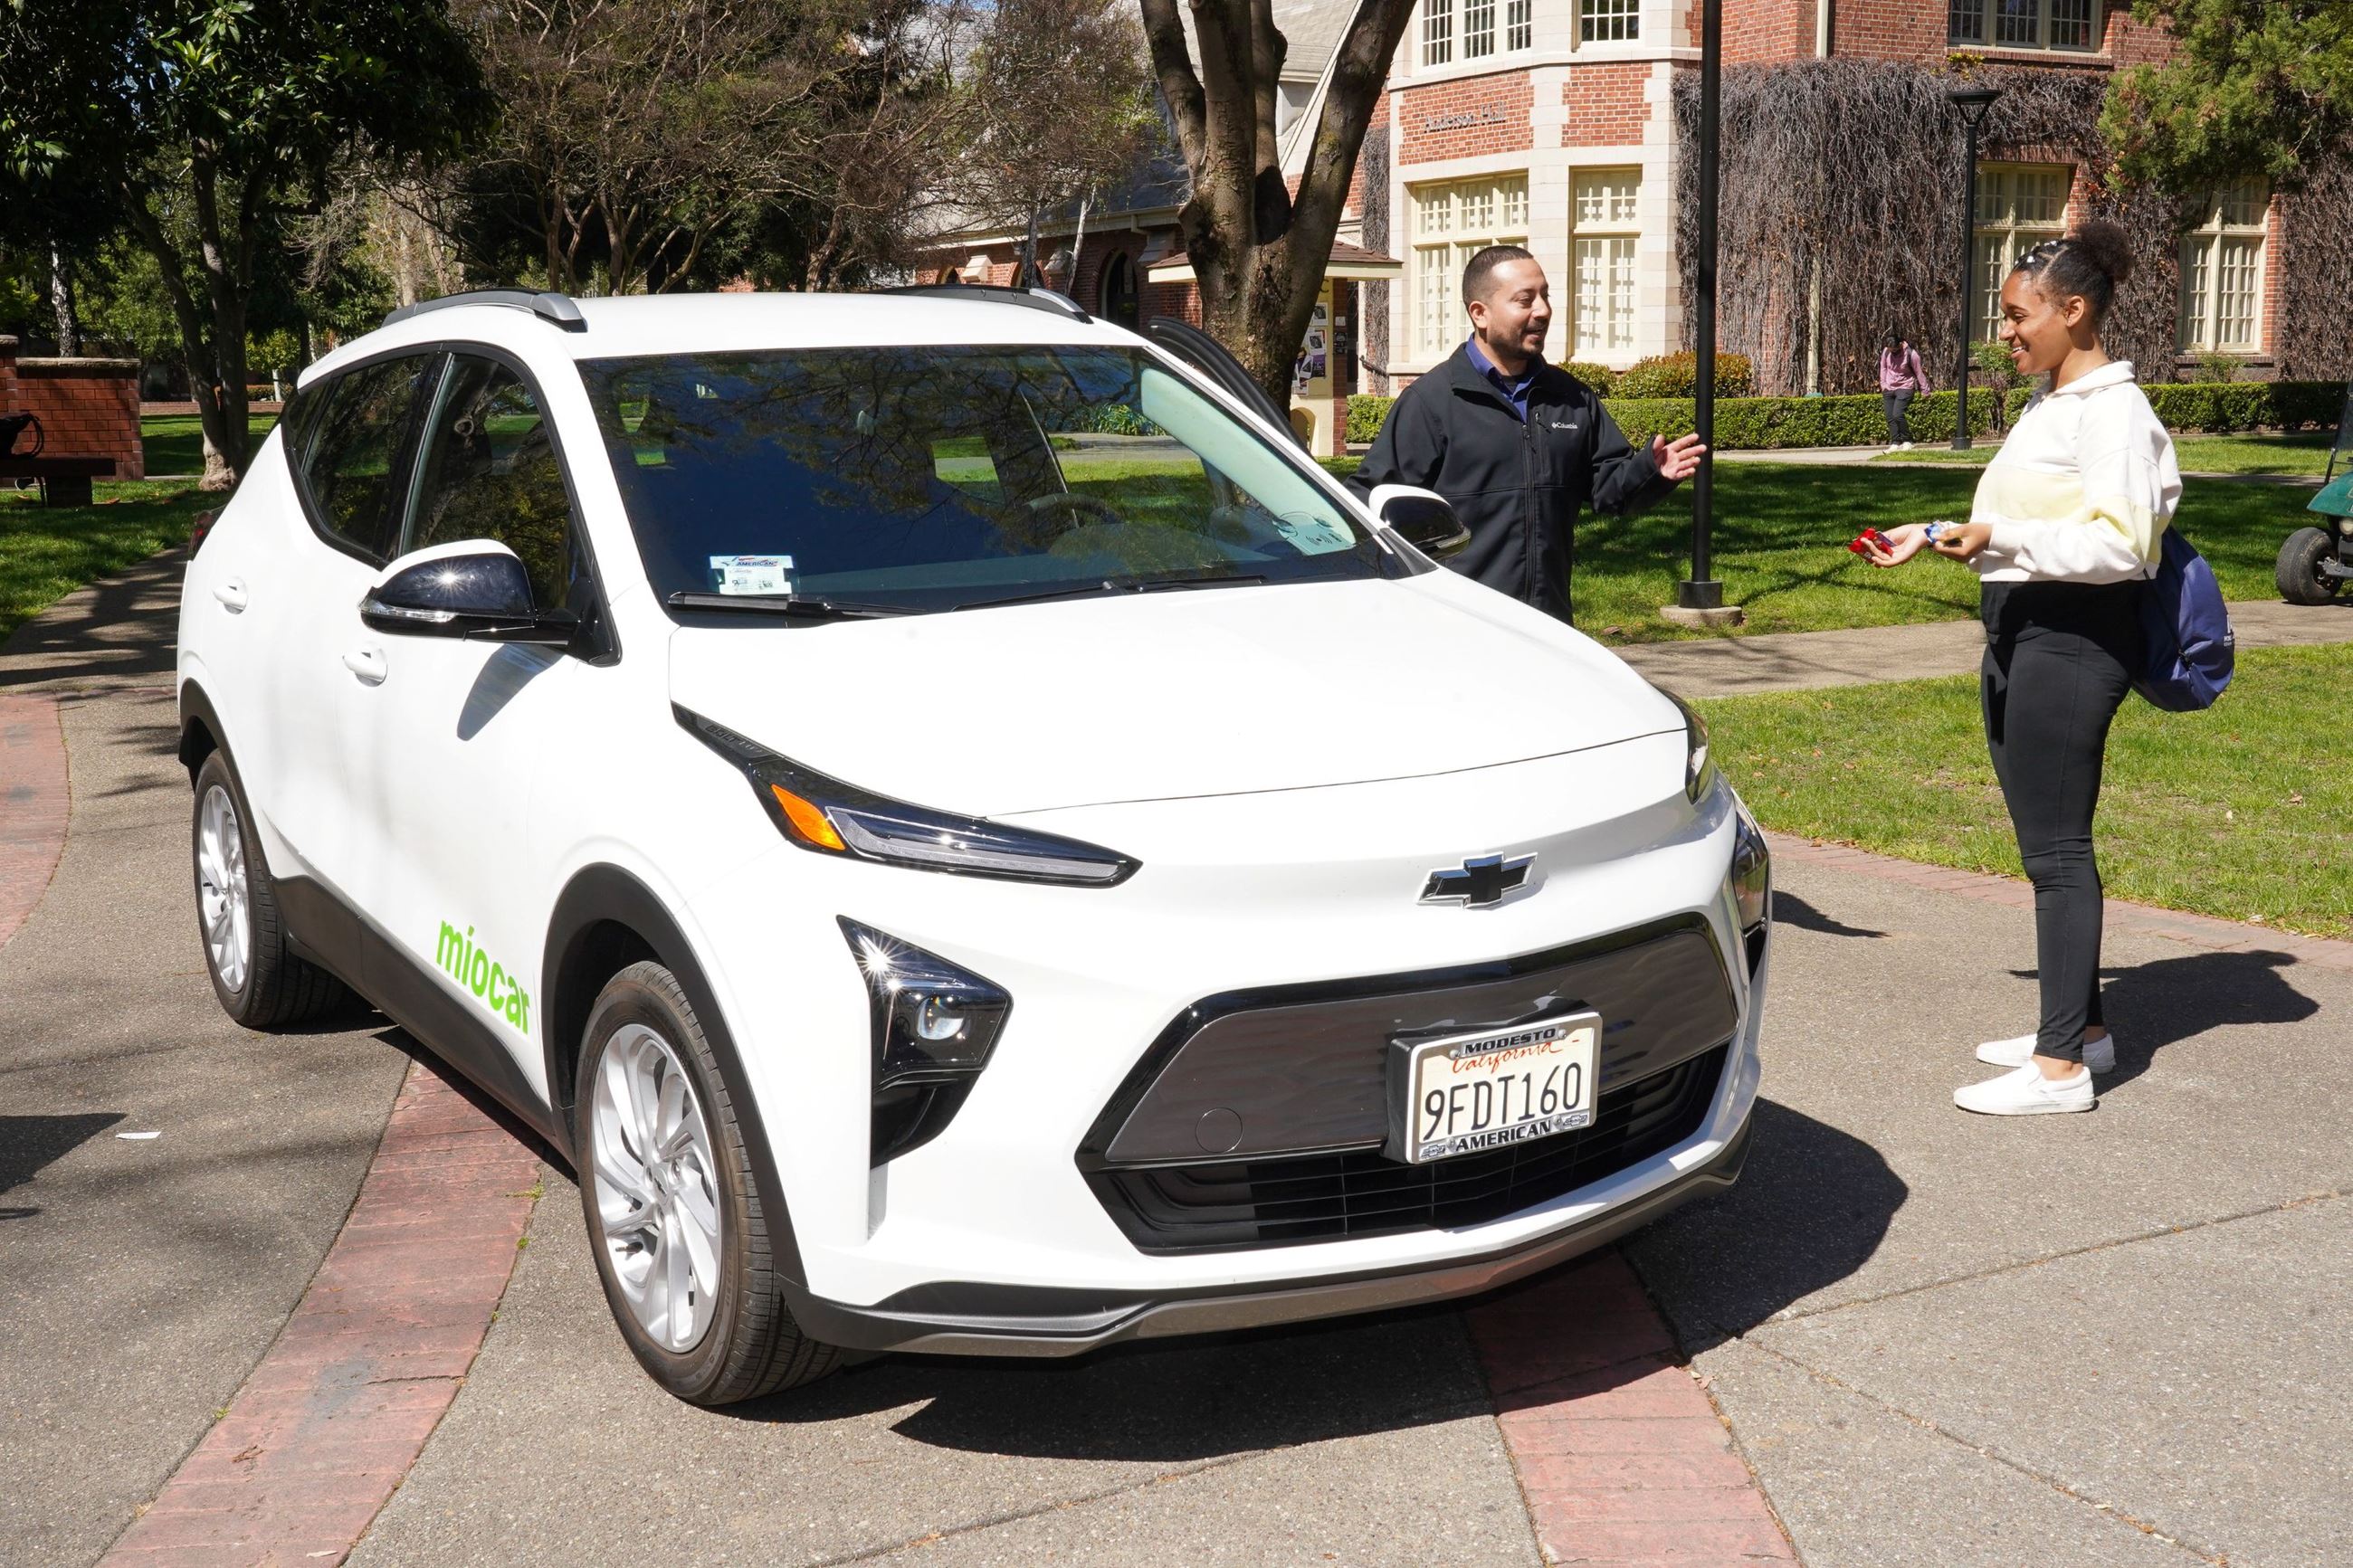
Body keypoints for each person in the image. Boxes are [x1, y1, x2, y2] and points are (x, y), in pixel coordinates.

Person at [1862, 221, 2177, 1116]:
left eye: (2016, 315)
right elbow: (2030, 520)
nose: (2002, 331)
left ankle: (2058, 1071)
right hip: (2025, 632)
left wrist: (1998, 536)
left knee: (2057, 853)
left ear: (2072, 311)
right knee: (2045, 844)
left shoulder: (2112, 411)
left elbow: (2119, 544)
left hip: (2072, 639)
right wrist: (1929, 533)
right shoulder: (2055, 403)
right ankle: (2080, 1029)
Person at [1351, 245, 1705, 622]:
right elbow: (1371, 502)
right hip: (1458, 624)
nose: (1543, 310)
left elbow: (1607, 490)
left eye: (1545, 296)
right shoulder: (1432, 402)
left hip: (1548, 621)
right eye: (1525, 300)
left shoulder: (1571, 398)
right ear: (1480, 314)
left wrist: (1650, 471)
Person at [1879, 331, 1929, 451]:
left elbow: (1918, 372)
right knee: (1890, 417)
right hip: (1889, 387)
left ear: (1901, 344)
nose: (1893, 352)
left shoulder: (1911, 354)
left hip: (1905, 387)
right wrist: (1883, 385)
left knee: (1898, 414)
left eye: (1895, 350)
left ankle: (1907, 440)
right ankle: (1895, 442)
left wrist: (1925, 390)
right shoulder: (1886, 352)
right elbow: (1883, 368)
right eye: (1891, 350)